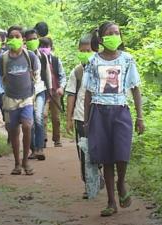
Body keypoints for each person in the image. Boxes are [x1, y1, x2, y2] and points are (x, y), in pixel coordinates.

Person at [83, 21, 145, 216]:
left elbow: (135, 89)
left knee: (122, 153)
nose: (115, 36)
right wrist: (86, 121)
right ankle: (111, 201)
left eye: (117, 33)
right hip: (99, 112)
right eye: (110, 33)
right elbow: (87, 93)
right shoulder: (93, 61)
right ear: (101, 39)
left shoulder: (127, 59)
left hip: (120, 111)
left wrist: (140, 117)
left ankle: (121, 183)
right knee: (107, 158)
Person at [0, 25, 41, 175]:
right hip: (10, 100)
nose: (14, 39)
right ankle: (17, 163)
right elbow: (2, 77)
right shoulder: (3, 58)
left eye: (17, 37)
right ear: (8, 40)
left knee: (27, 126)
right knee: (14, 132)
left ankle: (26, 161)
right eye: (11, 37)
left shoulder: (30, 56)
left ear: (23, 39)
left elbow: (36, 75)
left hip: (27, 99)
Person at [65, 34, 95, 199]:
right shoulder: (77, 72)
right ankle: (88, 184)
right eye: (82, 51)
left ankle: (98, 176)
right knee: (83, 152)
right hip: (80, 117)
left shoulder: (101, 69)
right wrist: (68, 119)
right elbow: (71, 96)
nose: (85, 53)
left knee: (98, 150)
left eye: (88, 50)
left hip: (98, 117)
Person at [24, 29, 51, 160]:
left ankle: (40, 148)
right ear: (24, 41)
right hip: (26, 92)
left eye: (34, 38)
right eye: (29, 39)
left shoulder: (42, 56)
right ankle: (33, 148)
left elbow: (47, 74)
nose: (32, 41)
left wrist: (49, 90)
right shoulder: (22, 56)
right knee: (30, 121)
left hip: (40, 90)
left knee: (39, 118)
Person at [40, 37, 66, 148]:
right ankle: (43, 139)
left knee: (56, 118)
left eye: (46, 46)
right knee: (43, 115)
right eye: (42, 46)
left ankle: (57, 139)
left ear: (51, 47)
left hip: (55, 92)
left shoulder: (55, 60)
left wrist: (61, 87)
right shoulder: (37, 60)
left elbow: (62, 75)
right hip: (43, 92)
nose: (44, 49)